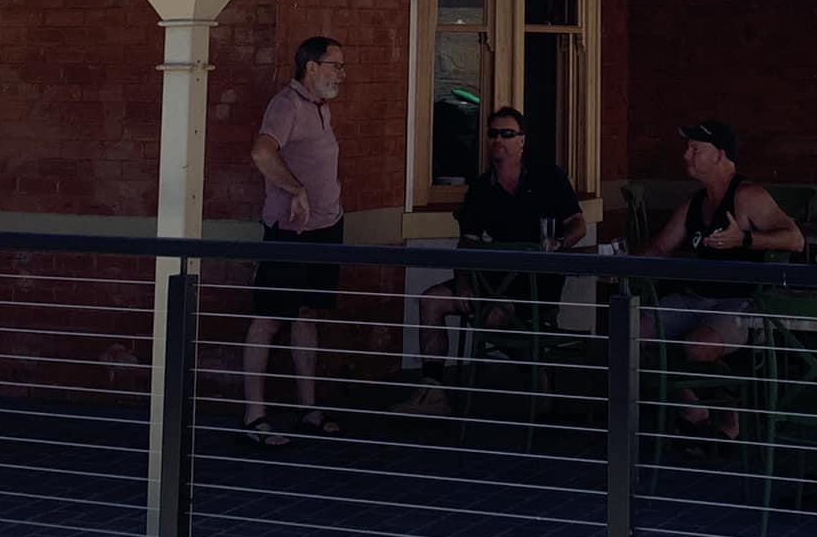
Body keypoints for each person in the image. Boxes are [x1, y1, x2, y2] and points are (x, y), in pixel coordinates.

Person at [395, 106, 587, 417]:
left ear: (521, 141)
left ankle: (535, 368)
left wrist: (559, 243)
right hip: (491, 280)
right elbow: (466, 244)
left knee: (494, 316)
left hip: (537, 282)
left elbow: (578, 224)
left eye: (507, 134)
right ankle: (433, 391)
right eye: (492, 133)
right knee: (431, 301)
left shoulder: (548, 176)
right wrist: (463, 281)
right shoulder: (481, 188)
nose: (498, 140)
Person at [640, 119, 803, 440]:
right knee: (630, 330)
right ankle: (693, 409)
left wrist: (744, 240)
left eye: (695, 149)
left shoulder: (748, 196)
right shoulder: (694, 203)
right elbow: (660, 248)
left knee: (697, 346)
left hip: (742, 303)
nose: (686, 156)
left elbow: (795, 239)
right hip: (695, 298)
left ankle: (730, 417)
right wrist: (618, 261)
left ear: (720, 155)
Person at [242, 35, 349, 445]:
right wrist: (296, 189)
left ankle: (308, 409)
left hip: (325, 228)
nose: (341, 74)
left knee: (307, 313)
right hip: (289, 232)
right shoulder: (287, 104)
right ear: (311, 67)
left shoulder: (320, 107)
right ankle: (254, 416)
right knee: (268, 319)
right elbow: (261, 153)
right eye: (335, 65)